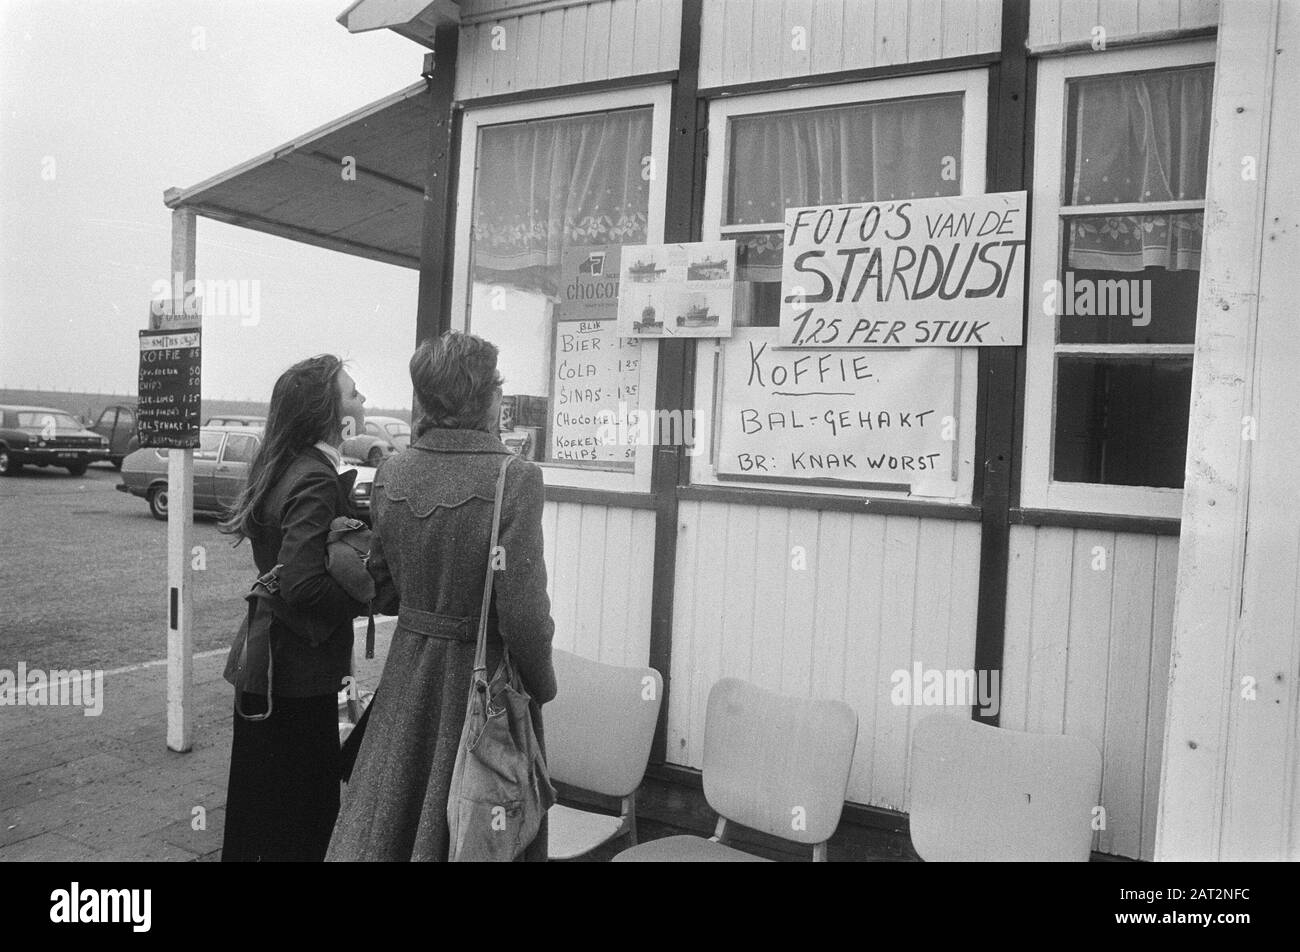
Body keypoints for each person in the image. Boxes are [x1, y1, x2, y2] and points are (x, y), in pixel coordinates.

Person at [327, 331, 557, 862]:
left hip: (408, 684)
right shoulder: (515, 478)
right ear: (481, 396)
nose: (501, 395)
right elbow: (522, 616)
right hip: (485, 687)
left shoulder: (394, 471)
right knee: (479, 832)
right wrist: (541, 687)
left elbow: (382, 588)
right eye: (496, 385)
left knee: (388, 825)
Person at [218, 354, 369, 862]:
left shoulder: (284, 465)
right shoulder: (315, 477)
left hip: (267, 667)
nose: (362, 400)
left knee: (256, 812)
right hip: (298, 675)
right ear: (328, 412)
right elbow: (303, 584)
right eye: (352, 393)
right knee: (306, 817)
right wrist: (362, 600)